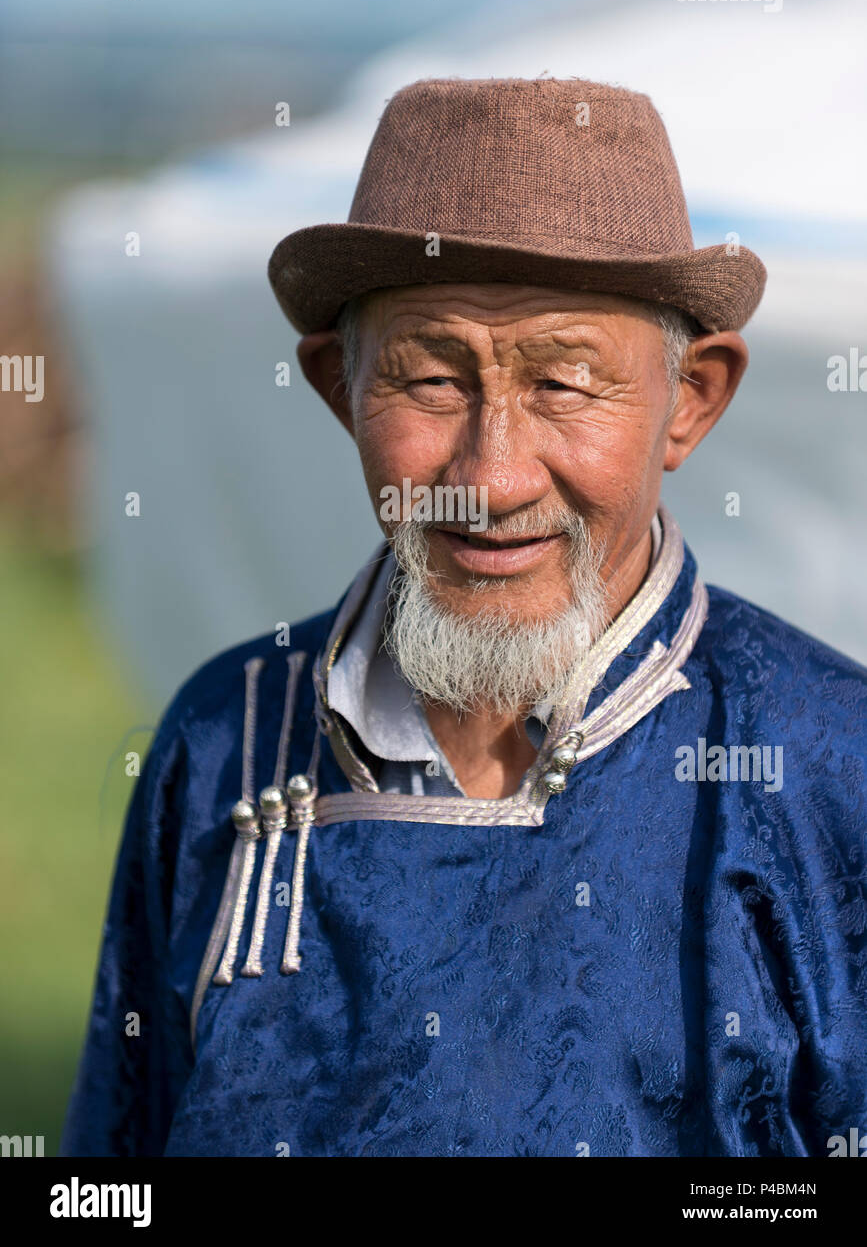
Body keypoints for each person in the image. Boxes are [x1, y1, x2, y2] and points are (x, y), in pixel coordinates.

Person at [61, 77, 867, 1157]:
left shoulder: (824, 761)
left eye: (565, 383)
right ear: (338, 387)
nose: (488, 478)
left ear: (692, 400)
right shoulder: (225, 735)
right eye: (431, 378)